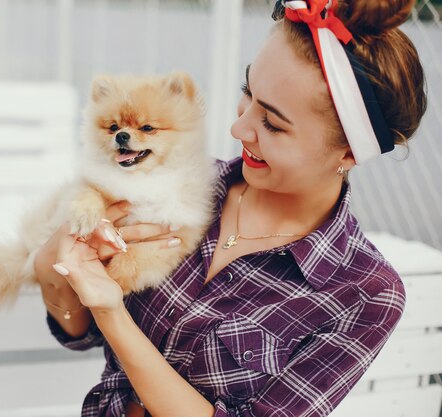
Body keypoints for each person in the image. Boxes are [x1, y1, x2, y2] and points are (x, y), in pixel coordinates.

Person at [33, 0, 427, 415]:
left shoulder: (364, 293)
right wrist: (53, 267)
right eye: (247, 92)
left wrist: (112, 313)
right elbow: (77, 332)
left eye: (272, 124)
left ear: (347, 153)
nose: (238, 127)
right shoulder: (179, 184)